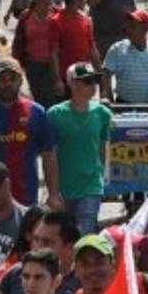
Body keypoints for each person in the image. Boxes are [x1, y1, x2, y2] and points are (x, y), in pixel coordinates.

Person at [47, 63, 112, 234]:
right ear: (73, 84)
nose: (93, 86)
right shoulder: (54, 115)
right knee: (66, 238)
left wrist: (102, 177)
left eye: (95, 80)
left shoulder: (103, 114)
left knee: (85, 234)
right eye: (88, 81)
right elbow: (49, 155)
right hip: (64, 188)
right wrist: (53, 192)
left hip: (91, 186)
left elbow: (102, 147)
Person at [0, 58, 59, 207]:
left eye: (12, 79)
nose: (7, 84)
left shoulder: (36, 112)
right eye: (2, 79)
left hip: (25, 197)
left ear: (20, 81)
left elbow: (48, 155)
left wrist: (53, 194)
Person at [101, 11, 148, 112]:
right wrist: (107, 97)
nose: (128, 29)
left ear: (145, 29)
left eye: (133, 26)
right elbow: (106, 75)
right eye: (128, 25)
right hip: (123, 106)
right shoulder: (116, 49)